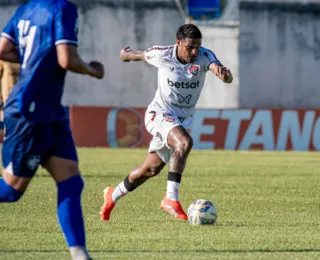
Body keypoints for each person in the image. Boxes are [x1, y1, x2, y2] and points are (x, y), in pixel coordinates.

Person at [0, 1, 104, 259]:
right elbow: (66, 58)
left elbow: (3, 49)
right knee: (11, 191)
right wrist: (91, 70)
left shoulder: (25, 9)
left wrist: (32, 58)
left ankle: (80, 254)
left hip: (50, 112)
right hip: (30, 109)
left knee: (71, 180)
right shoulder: (62, 9)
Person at [100, 24, 232, 222]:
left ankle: (113, 195)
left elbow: (220, 71)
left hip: (180, 120)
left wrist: (225, 74)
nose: (195, 52)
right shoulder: (162, 54)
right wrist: (124, 55)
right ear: (178, 42)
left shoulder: (205, 56)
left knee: (150, 170)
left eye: (198, 46)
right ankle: (170, 198)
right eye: (190, 47)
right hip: (159, 113)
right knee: (184, 143)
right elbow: (138, 55)